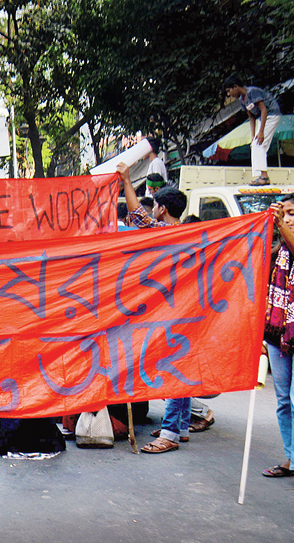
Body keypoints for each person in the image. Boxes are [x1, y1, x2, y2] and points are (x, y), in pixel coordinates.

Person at [117, 162, 192, 454]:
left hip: (170, 309)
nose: (152, 210)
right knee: (182, 366)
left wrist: (125, 181)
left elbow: (136, 215)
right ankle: (180, 427)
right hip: (187, 306)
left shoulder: (166, 232)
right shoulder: (189, 233)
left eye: (155, 206)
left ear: (161, 209)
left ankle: (171, 433)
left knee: (172, 368)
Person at [262, 194, 294, 491]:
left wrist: (279, 225)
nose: (287, 218)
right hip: (278, 332)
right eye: (284, 214)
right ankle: (292, 458)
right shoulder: (280, 249)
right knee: (284, 401)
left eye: (293, 213)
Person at [224, 76, 282, 186]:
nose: (228, 94)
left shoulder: (252, 92)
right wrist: (253, 136)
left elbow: (264, 109)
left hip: (271, 115)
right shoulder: (242, 100)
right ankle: (259, 176)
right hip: (261, 118)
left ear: (236, 87)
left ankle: (264, 177)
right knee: (255, 143)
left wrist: (261, 132)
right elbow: (251, 117)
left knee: (258, 143)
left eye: (229, 90)